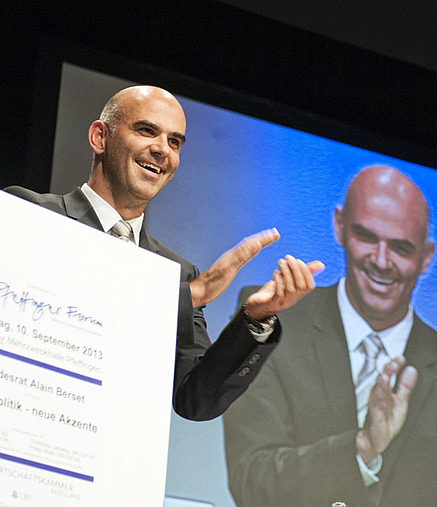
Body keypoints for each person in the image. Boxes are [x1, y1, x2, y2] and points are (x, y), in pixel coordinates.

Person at [3, 85, 323, 421]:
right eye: (146, 131)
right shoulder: (32, 214)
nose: (162, 150)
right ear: (100, 137)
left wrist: (255, 318)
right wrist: (193, 294)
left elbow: (196, 401)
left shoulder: (177, 272)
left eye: (175, 142)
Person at [224, 166, 437, 507]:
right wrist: (362, 447)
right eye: (367, 236)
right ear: (340, 227)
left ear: (426, 257)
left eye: (401, 248)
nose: (380, 260)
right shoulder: (272, 323)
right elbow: (251, 481)